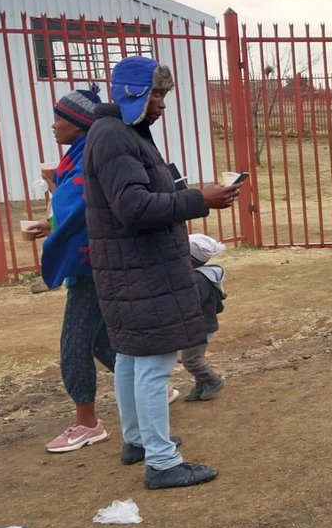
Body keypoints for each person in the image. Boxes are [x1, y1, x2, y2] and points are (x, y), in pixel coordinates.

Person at [85, 56, 239, 489]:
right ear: (133, 92)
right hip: (141, 270)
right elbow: (133, 207)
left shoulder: (121, 132)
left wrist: (183, 192)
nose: (162, 105)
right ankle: (162, 462)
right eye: (156, 95)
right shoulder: (116, 136)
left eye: (164, 96)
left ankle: (138, 441)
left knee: (132, 359)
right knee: (153, 363)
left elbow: (137, 195)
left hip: (133, 268)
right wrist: (197, 199)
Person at [24, 88, 117, 453]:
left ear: (78, 125)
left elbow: (82, 211)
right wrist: (52, 227)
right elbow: (74, 213)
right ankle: (156, 387)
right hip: (89, 260)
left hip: (90, 263)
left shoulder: (84, 162)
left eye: (59, 118)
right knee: (99, 339)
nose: (53, 125)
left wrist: (57, 224)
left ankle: (87, 423)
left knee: (74, 343)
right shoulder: (74, 160)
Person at [181, 234, 228, 401]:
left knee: (191, 360)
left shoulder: (198, 280)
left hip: (199, 327)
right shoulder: (202, 275)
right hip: (201, 326)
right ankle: (201, 386)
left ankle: (213, 381)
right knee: (194, 358)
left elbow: (190, 305)